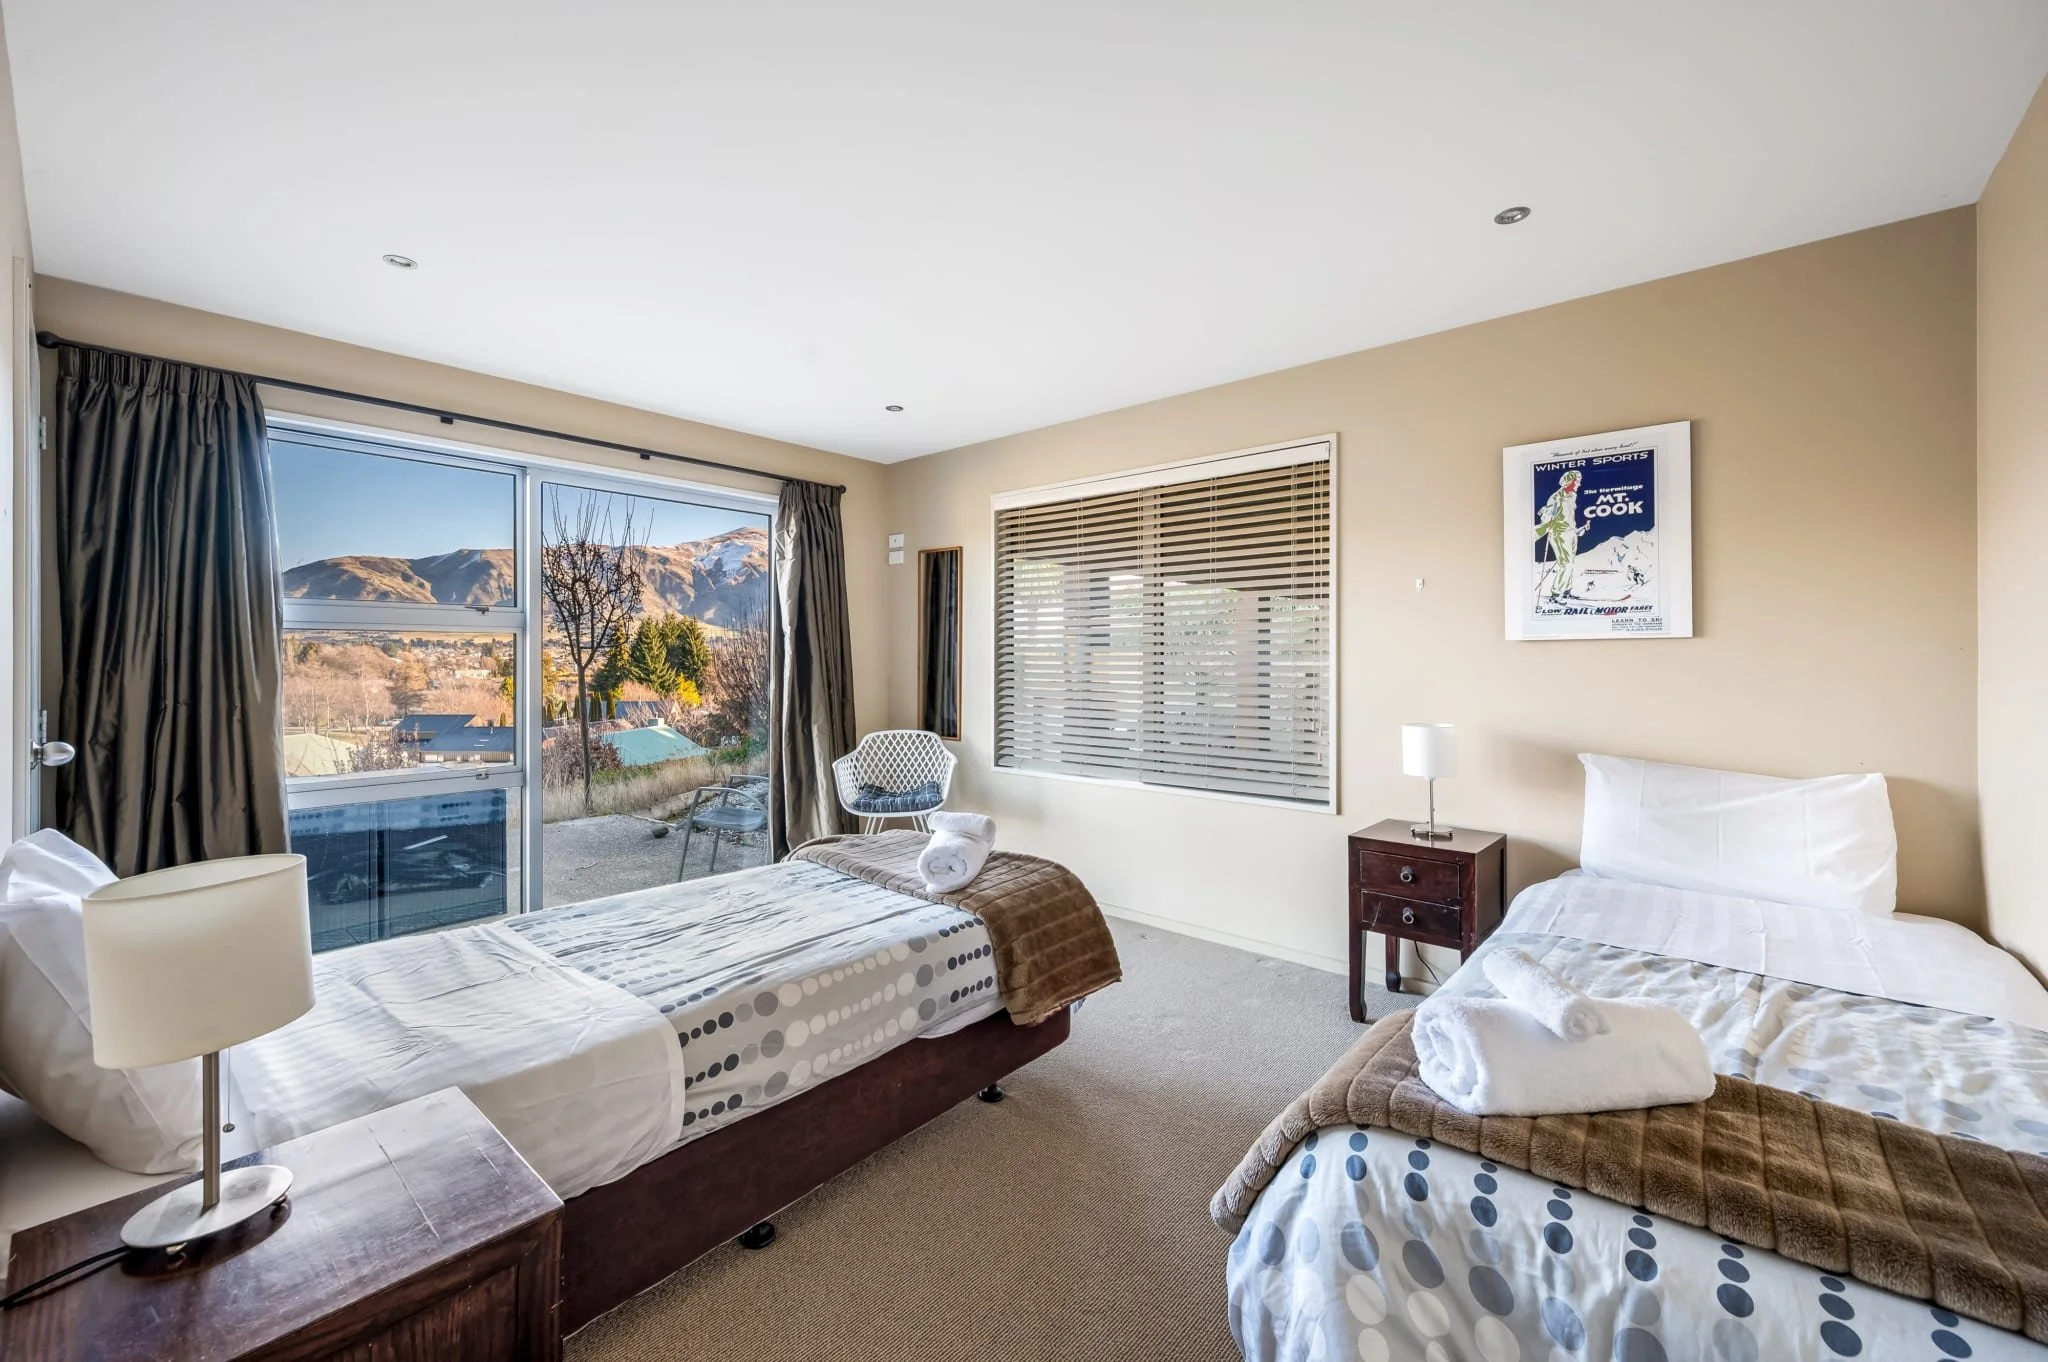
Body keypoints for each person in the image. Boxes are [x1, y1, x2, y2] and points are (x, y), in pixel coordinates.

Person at [1532, 468, 1591, 604]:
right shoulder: (1555, 498)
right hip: (1559, 534)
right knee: (1566, 564)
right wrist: (1546, 513)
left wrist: (1580, 529)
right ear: (1568, 482)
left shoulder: (1573, 496)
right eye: (1577, 482)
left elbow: (1569, 517)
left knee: (1571, 563)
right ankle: (1556, 594)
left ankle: (1566, 591)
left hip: (1571, 532)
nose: (1579, 484)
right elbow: (1546, 518)